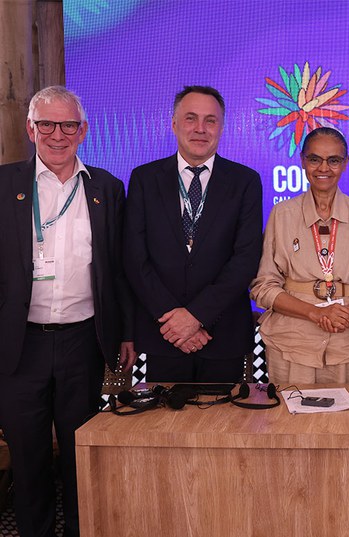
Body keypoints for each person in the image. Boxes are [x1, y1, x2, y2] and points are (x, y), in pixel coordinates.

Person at [0, 86, 135, 536]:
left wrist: (127, 335)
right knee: (29, 458)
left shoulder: (107, 189)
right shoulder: (4, 186)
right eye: (47, 125)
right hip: (19, 347)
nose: (58, 135)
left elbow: (120, 271)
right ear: (31, 128)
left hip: (83, 342)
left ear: (84, 130)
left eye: (69, 125)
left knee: (82, 456)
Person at [124, 86, 262, 382]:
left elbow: (246, 259)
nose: (200, 129)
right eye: (191, 118)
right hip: (164, 334)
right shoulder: (144, 179)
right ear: (174, 124)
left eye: (210, 120)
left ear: (222, 127)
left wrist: (195, 317)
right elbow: (135, 259)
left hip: (222, 335)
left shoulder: (245, 182)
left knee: (223, 426)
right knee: (164, 426)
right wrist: (175, 322)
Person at [251, 127, 349, 383]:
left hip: (348, 342)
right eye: (315, 159)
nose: (324, 168)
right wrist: (315, 313)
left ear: (345, 163)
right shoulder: (282, 214)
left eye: (333, 160)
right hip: (291, 343)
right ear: (303, 161)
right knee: (288, 421)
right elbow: (263, 287)